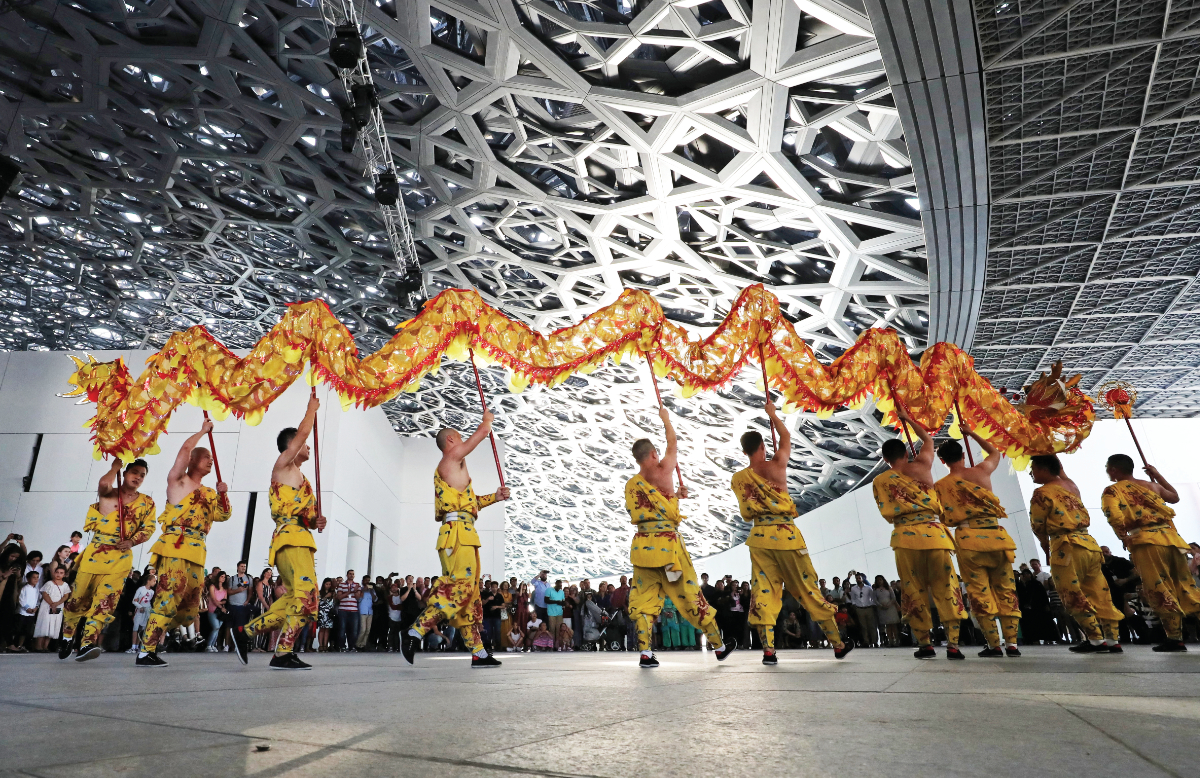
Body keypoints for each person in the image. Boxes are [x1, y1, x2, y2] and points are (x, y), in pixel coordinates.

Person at [732, 401, 852, 663]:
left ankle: (768, 650)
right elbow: (785, 437)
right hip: (786, 535)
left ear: (744, 451)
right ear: (763, 446)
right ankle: (837, 643)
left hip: (760, 538)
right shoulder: (777, 466)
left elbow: (745, 510)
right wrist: (773, 415)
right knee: (808, 589)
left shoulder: (739, 478)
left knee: (763, 591)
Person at [402, 411, 511, 668]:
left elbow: (470, 504)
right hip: (457, 536)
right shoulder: (450, 458)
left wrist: (494, 497)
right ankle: (415, 630)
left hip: (465, 533)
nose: (461, 444)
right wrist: (486, 422)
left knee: (470, 597)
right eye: (459, 439)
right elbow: (481, 435)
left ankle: (478, 653)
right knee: (459, 589)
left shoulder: (456, 475)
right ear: (451, 441)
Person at [625, 405, 731, 668]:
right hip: (669, 552)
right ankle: (718, 646)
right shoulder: (664, 470)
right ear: (652, 453)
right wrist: (665, 419)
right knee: (688, 594)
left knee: (643, 601)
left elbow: (647, 507)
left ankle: (646, 653)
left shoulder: (632, 484)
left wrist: (673, 496)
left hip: (643, 552)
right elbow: (673, 442)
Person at [234, 397, 328, 666]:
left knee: (293, 599)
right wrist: (310, 410)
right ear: (291, 446)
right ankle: (283, 652)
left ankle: (245, 632)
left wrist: (316, 520)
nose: (307, 446)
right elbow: (302, 435)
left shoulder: (302, 480)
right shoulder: (283, 466)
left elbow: (308, 517)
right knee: (308, 596)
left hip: (300, 539)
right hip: (291, 540)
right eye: (302, 443)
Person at [871, 407, 967, 660]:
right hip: (935, 534)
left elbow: (886, 512)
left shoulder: (881, 481)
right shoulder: (923, 465)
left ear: (886, 460)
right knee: (946, 586)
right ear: (905, 452)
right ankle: (954, 643)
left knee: (913, 590)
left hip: (905, 538)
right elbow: (928, 440)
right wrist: (906, 419)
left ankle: (925, 644)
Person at [138, 421, 231, 667]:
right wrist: (202, 431)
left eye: (212, 458)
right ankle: (145, 649)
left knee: (190, 606)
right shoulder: (178, 481)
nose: (210, 461)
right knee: (170, 594)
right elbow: (183, 451)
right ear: (192, 461)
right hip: (175, 545)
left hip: (197, 551)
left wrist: (223, 494)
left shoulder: (209, 493)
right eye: (205, 457)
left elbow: (223, 515)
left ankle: (157, 634)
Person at [934, 427, 1022, 657]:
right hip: (997, 537)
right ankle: (1012, 643)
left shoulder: (941, 486)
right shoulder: (982, 471)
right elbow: (994, 452)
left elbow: (943, 516)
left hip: (968, 540)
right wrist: (971, 433)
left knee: (979, 592)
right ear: (963, 455)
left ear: (942, 461)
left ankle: (994, 644)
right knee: (1006, 590)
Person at [1100, 454, 1200, 652]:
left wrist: (1123, 536)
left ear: (1113, 470)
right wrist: (1157, 475)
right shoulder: (1151, 485)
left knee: (1159, 587)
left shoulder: (1113, 490)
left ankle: (1174, 637)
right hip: (1172, 539)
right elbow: (1174, 497)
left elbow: (1113, 515)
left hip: (1147, 541)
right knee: (1185, 585)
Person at [61, 459, 157, 662]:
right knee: (77, 599)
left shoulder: (147, 502)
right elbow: (103, 485)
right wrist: (115, 467)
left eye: (142, 475)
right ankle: (67, 636)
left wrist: (132, 541)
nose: (138, 477)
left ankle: (87, 642)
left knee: (105, 601)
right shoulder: (109, 493)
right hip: (95, 553)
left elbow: (148, 528)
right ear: (125, 473)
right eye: (135, 472)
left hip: (120, 558)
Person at [1028, 454, 1124, 653]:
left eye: (1034, 468)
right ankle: (1112, 638)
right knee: (1100, 592)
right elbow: (1060, 470)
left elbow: (1038, 526)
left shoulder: (1041, 493)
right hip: (1089, 543)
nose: (1032, 473)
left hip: (1065, 546)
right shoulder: (1071, 486)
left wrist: (1046, 548)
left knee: (1070, 593)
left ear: (1044, 469)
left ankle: (1095, 639)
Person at [34, 566, 71, 652]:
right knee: (44, 624)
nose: (58, 574)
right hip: (47, 605)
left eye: (61, 573)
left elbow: (66, 596)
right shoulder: (49, 583)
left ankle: (45, 646)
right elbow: (45, 594)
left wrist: (57, 604)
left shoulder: (65, 585)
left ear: (64, 575)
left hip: (58, 606)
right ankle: (38, 646)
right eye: (57, 572)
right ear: (54, 573)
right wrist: (51, 603)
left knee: (53, 625)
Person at [847, 573, 878, 648]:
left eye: (859, 578)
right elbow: (853, 598)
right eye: (857, 578)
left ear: (862, 579)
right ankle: (866, 641)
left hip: (868, 607)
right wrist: (854, 605)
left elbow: (872, 597)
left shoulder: (868, 588)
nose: (858, 580)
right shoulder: (854, 588)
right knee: (863, 626)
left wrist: (873, 604)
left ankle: (875, 641)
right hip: (859, 608)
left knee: (872, 626)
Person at [129, 571, 156, 653]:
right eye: (154, 581)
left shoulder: (152, 592)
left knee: (143, 629)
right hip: (139, 611)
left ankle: (138, 646)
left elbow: (150, 602)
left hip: (147, 611)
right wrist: (140, 606)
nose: (155, 583)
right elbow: (134, 601)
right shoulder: (141, 589)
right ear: (148, 580)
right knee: (136, 628)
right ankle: (133, 646)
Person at [872, 575, 900, 646]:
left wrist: (889, 604)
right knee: (887, 626)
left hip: (891, 608)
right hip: (882, 609)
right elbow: (875, 599)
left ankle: (896, 641)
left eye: (880, 580)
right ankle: (890, 641)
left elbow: (893, 598)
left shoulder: (888, 588)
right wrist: (880, 605)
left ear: (883, 580)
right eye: (878, 580)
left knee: (893, 625)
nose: (879, 581)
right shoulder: (875, 590)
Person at [205, 571, 229, 651]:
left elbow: (225, 600)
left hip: (220, 611)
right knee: (216, 627)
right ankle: (208, 645)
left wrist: (220, 603)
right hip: (213, 609)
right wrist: (220, 605)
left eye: (224, 577)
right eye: (222, 576)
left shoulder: (224, 589)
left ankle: (212, 645)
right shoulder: (212, 586)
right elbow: (213, 599)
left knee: (218, 628)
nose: (223, 578)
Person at [227, 561, 252, 632]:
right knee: (229, 625)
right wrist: (238, 590)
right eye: (242, 566)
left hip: (242, 605)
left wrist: (247, 600)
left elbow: (250, 591)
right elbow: (228, 592)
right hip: (232, 605)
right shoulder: (232, 579)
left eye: (244, 566)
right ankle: (228, 643)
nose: (243, 568)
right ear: (238, 567)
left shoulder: (248, 578)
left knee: (240, 626)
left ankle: (237, 642)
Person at [545, 579, 565, 649]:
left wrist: (563, 604)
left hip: (559, 613)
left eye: (561, 585)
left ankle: (557, 644)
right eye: (559, 584)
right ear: (556, 584)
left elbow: (563, 602)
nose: (560, 586)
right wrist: (556, 602)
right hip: (551, 613)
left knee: (558, 629)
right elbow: (546, 600)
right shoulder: (549, 590)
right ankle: (551, 644)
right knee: (552, 629)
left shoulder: (562, 592)